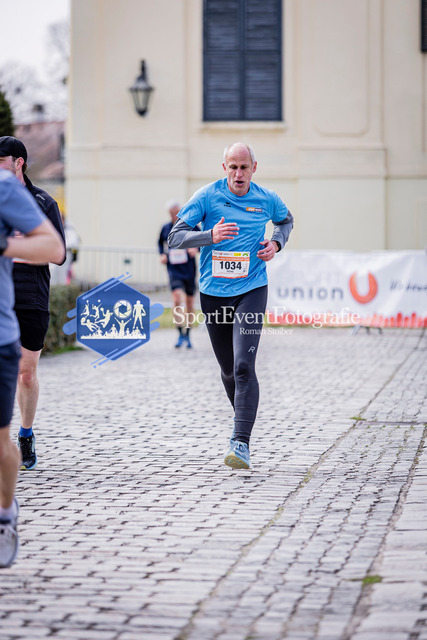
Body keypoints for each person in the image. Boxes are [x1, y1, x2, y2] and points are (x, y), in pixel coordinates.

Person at [168, 142, 294, 469]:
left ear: (254, 168)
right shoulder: (207, 196)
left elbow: (286, 222)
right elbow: (175, 238)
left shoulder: (267, 199)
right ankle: (244, 418)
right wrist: (209, 235)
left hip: (252, 288)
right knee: (227, 370)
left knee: (243, 366)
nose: (238, 174)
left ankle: (240, 442)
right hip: (213, 293)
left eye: (244, 167)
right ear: (224, 168)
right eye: (233, 167)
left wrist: (276, 242)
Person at [0, 168, 65, 568]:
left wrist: (6, 246)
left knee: (26, 377)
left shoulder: (20, 194)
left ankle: (5, 511)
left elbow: (55, 249)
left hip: (17, 313)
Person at [0, 136, 66, 471]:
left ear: (18, 162)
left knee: (26, 375)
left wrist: (12, 249)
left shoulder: (42, 202)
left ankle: (25, 434)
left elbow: (57, 254)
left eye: (0, 162)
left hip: (31, 296)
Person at [158, 200, 198, 348]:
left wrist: (196, 248)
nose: (174, 215)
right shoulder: (166, 228)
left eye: (176, 212)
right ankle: (180, 333)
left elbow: (204, 239)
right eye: (171, 213)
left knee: (189, 302)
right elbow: (160, 243)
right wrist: (162, 254)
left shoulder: (191, 226)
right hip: (173, 268)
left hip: (189, 269)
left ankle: (188, 333)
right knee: (176, 298)